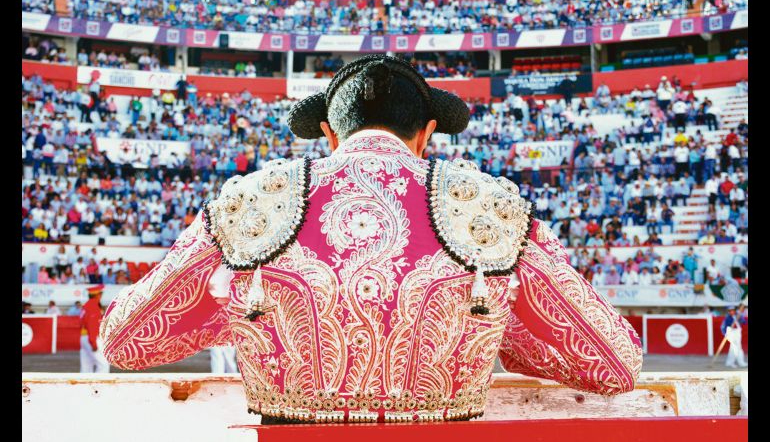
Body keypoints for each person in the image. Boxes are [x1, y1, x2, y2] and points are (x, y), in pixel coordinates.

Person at [99, 55, 642, 424]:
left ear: (330, 136)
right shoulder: (490, 209)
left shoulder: (251, 204)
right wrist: (501, 336)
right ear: (427, 135)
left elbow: (123, 341)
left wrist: (247, 316)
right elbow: (616, 363)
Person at [80, 285, 109, 373]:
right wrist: (93, 343)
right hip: (91, 338)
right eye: (101, 294)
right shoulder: (93, 306)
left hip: (84, 337)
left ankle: (83, 386)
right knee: (103, 364)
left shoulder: (86, 305)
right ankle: (100, 385)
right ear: (97, 295)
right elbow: (92, 325)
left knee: (86, 366)